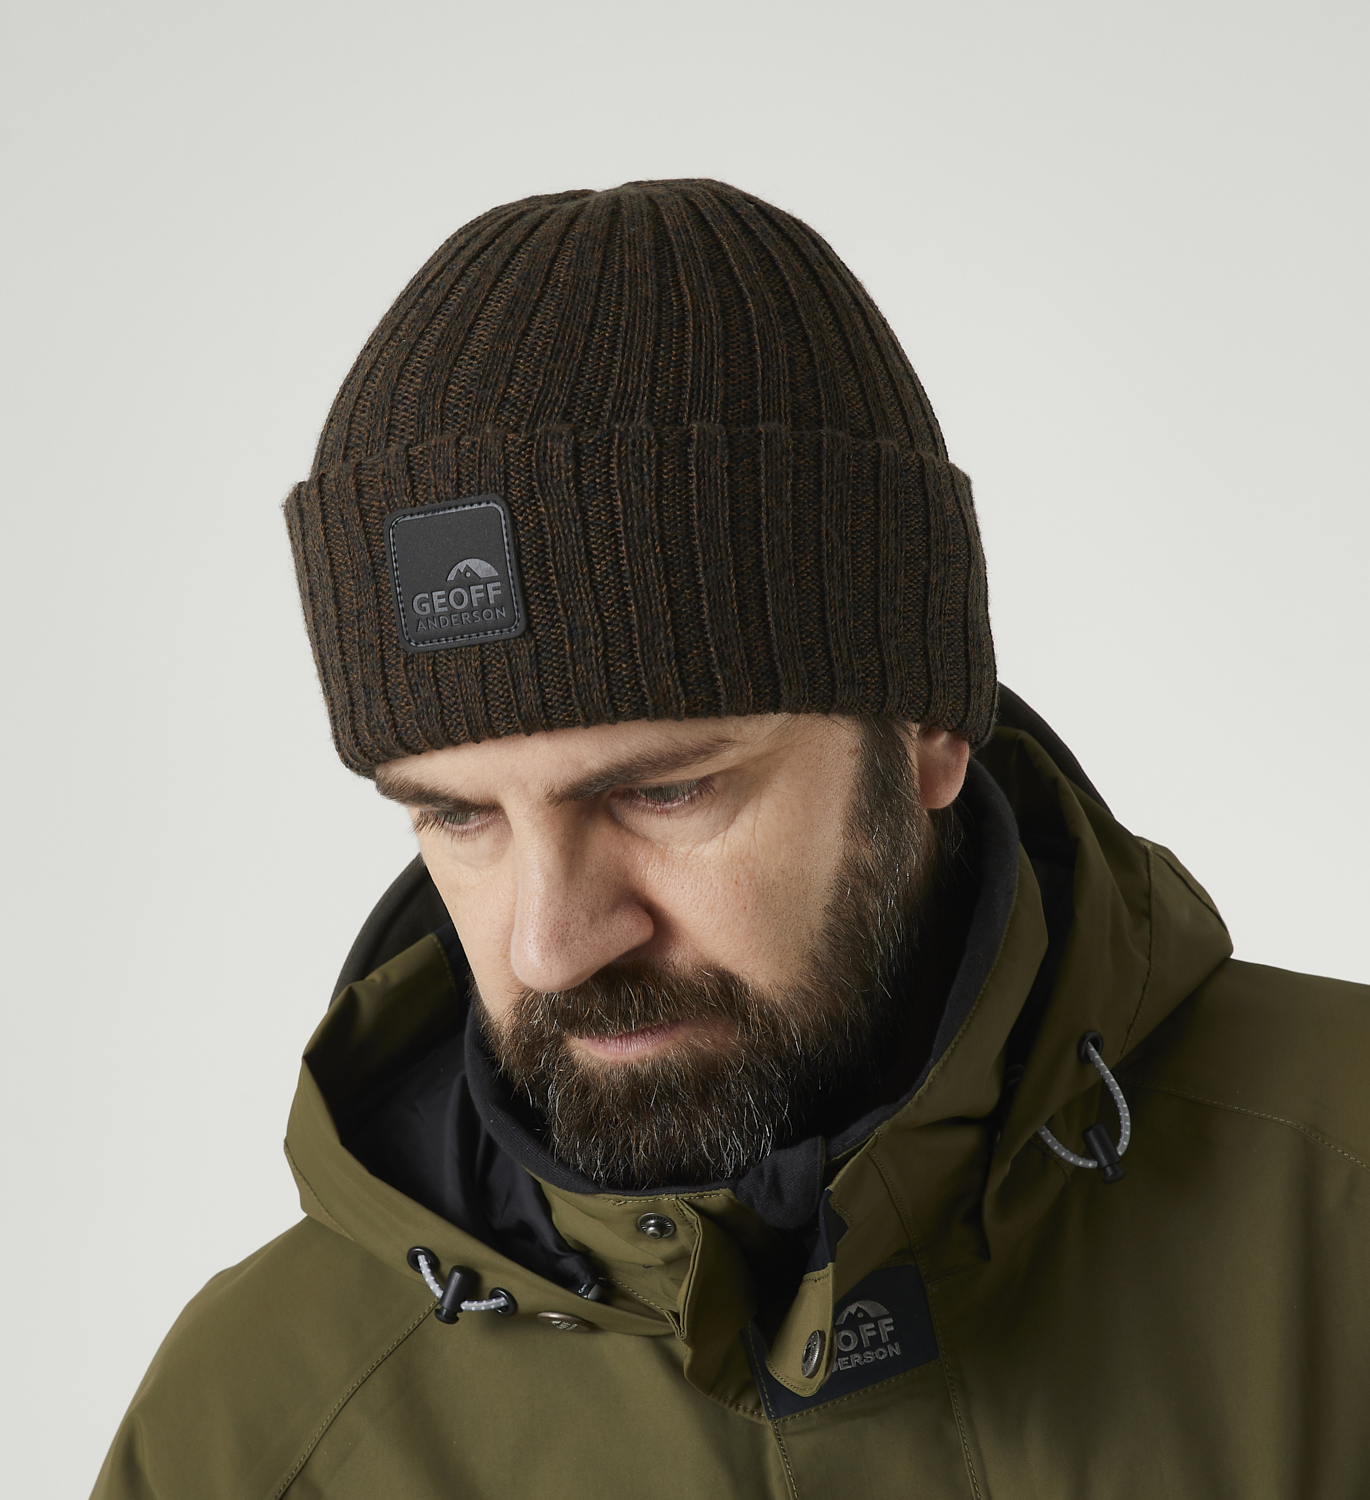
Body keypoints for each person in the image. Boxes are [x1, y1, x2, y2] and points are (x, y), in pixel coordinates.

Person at [92, 180, 1370, 1499]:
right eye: (458, 814)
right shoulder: (256, 1434)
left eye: (663, 793)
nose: (551, 945)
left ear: (928, 728)